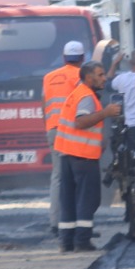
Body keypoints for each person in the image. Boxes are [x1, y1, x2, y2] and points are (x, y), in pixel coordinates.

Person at [55, 61, 120, 251]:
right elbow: (80, 122)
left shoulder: (78, 92)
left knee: (68, 200)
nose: (104, 78)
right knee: (87, 199)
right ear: (88, 77)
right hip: (82, 156)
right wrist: (106, 112)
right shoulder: (86, 97)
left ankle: (66, 241)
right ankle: (82, 241)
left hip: (67, 154)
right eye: (99, 75)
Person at [41, 40, 86, 229]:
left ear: (64, 57)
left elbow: (44, 104)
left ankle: (55, 222)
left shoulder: (48, 77)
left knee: (58, 176)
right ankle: (74, 223)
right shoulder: (82, 76)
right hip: (73, 131)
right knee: (78, 177)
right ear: (83, 58)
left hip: (53, 129)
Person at [109, 47, 135, 145]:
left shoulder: (121, 79)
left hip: (130, 125)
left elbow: (108, 82)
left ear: (130, 62)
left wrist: (114, 63)